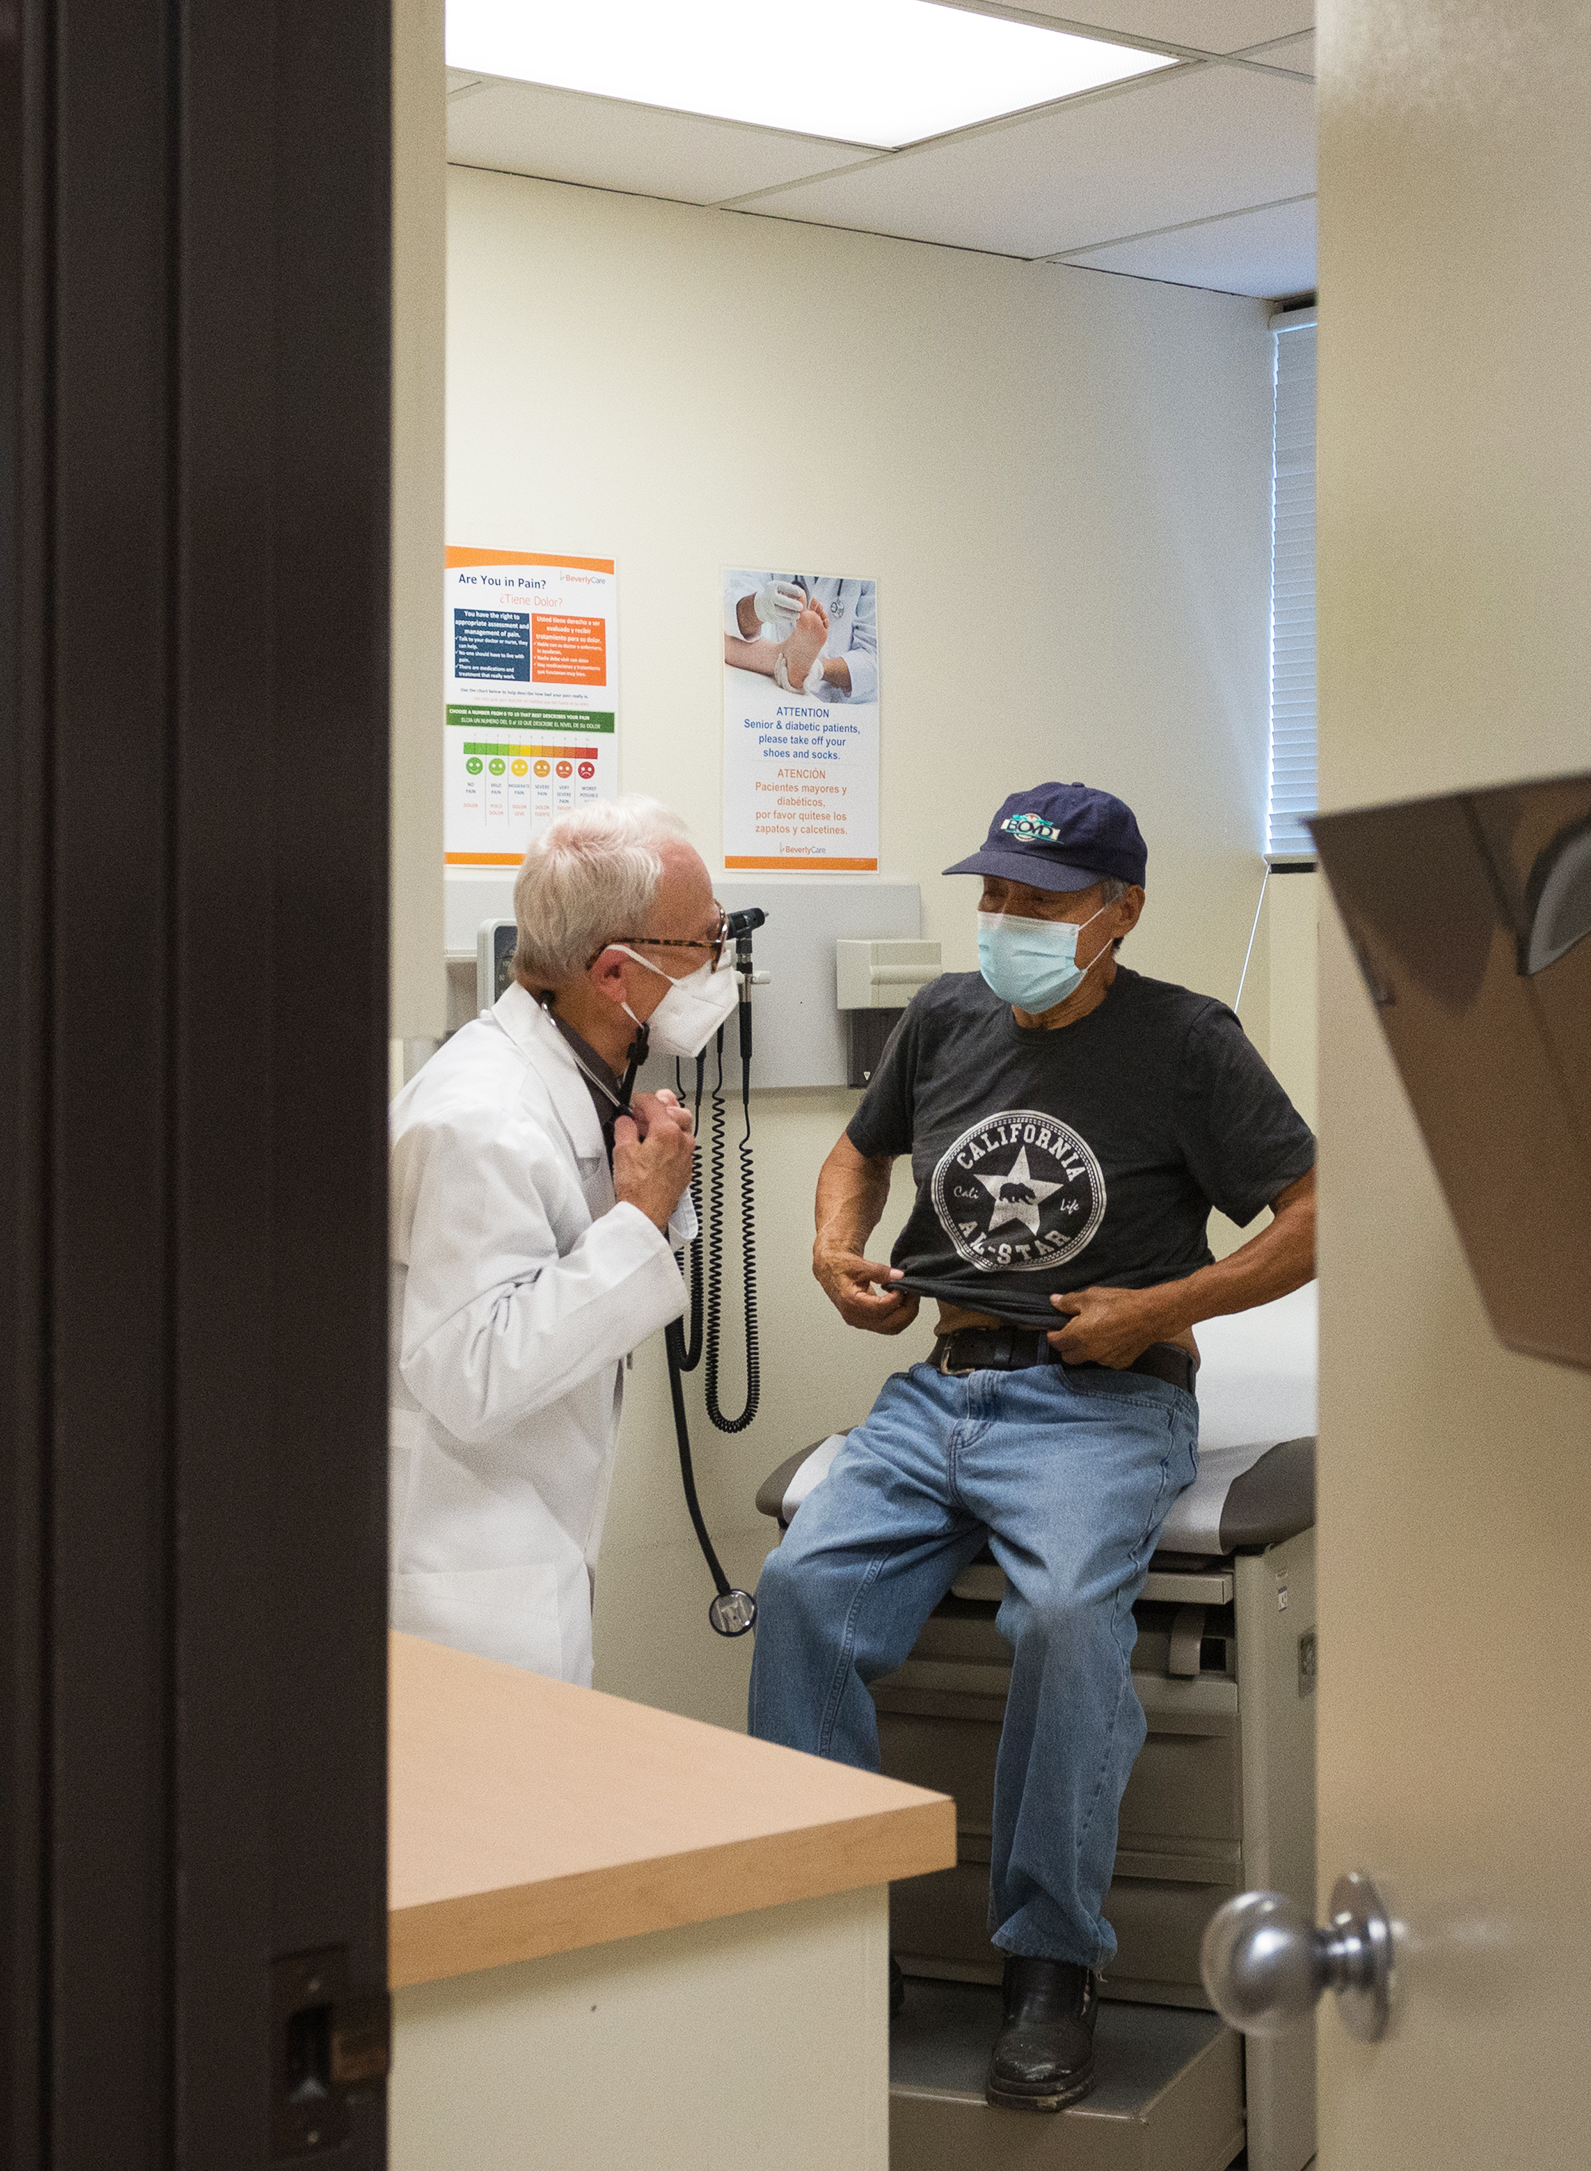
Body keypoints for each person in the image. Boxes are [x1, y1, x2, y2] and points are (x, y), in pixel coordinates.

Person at [746, 783, 1319, 2111]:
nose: (1007, 919)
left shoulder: (1188, 1042)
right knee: (800, 1591)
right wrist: (833, 1244)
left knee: (1063, 1616)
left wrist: (1163, 1311)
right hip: (944, 1387)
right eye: (994, 893)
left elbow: (1312, 1212)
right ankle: (835, 1937)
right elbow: (855, 1151)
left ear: (1118, 913)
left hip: (1104, 1400)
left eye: (1041, 901)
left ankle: (1052, 1969)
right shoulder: (947, 1016)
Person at [386, 797, 741, 1685]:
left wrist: (646, 1201)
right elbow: (470, 1371)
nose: (720, 965)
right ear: (616, 976)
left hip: (518, 1534)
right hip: (461, 1578)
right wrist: (641, 1222)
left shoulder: (571, 1072)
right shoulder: (480, 1119)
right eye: (704, 944)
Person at [721, 570, 880, 704]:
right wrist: (757, 607)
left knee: (727, 645)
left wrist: (817, 669)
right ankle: (787, 658)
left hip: (849, 706)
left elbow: (875, 657)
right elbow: (730, 600)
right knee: (724, 641)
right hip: (787, 688)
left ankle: (789, 661)